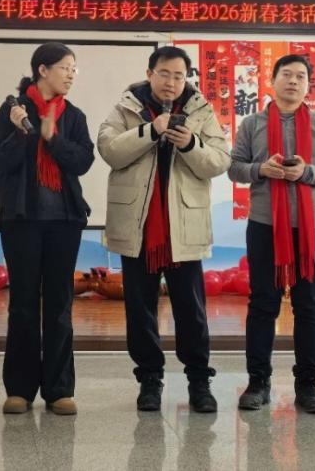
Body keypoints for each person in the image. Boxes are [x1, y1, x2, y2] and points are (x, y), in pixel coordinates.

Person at [97, 45, 231, 413]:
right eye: (164, 74)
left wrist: (191, 144)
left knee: (191, 311)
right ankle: (149, 381)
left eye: (179, 75)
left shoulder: (201, 110)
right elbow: (109, 151)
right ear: (150, 73)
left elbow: (220, 160)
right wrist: (149, 131)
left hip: (182, 227)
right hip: (138, 228)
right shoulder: (126, 108)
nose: (171, 82)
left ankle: (199, 382)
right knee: (140, 311)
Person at [229, 54, 315, 414]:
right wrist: (260, 170)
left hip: (312, 228)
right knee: (263, 303)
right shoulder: (252, 124)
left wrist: (307, 172)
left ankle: (308, 385)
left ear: (308, 85)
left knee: (308, 305)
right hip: (265, 225)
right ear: (273, 80)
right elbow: (234, 168)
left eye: (300, 76)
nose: (293, 81)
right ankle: (258, 382)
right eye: (287, 74)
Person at [0, 42, 95, 416]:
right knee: (22, 304)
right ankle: (19, 389)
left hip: (64, 222)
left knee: (59, 304)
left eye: (73, 69)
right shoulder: (13, 110)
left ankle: (59, 389)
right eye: (65, 67)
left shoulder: (74, 116)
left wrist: (53, 138)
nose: (71, 74)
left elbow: (82, 161)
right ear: (42, 70)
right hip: (21, 221)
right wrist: (24, 132)